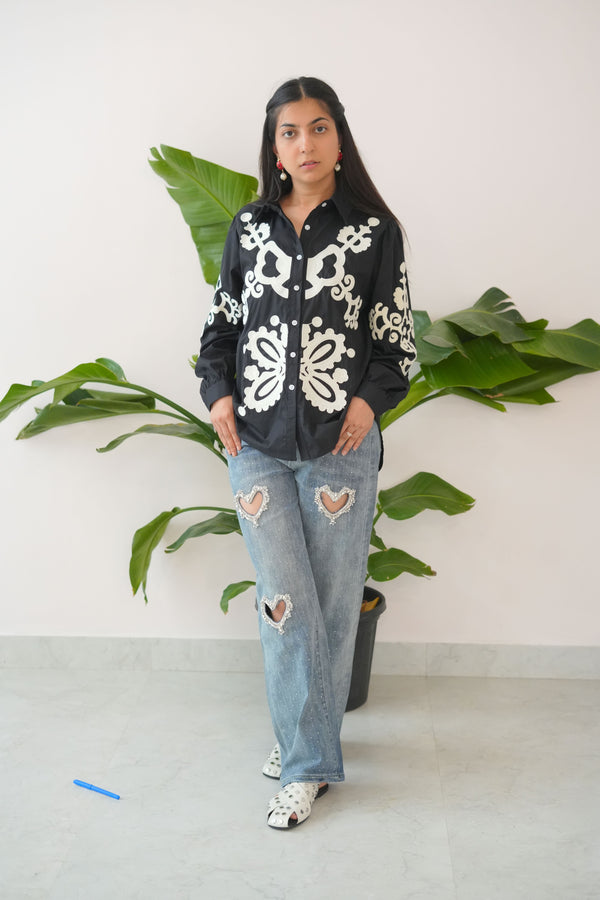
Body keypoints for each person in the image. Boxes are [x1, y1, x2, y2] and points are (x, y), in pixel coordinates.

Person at [195, 76, 416, 829]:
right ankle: (307, 751)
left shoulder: (375, 233)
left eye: (318, 128)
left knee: (326, 605)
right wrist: (218, 394)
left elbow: (395, 346)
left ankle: (304, 758)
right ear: (275, 147)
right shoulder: (248, 229)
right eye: (290, 132)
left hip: (340, 450)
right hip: (255, 443)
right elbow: (220, 330)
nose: (305, 144)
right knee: (285, 603)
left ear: (340, 139)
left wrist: (365, 402)